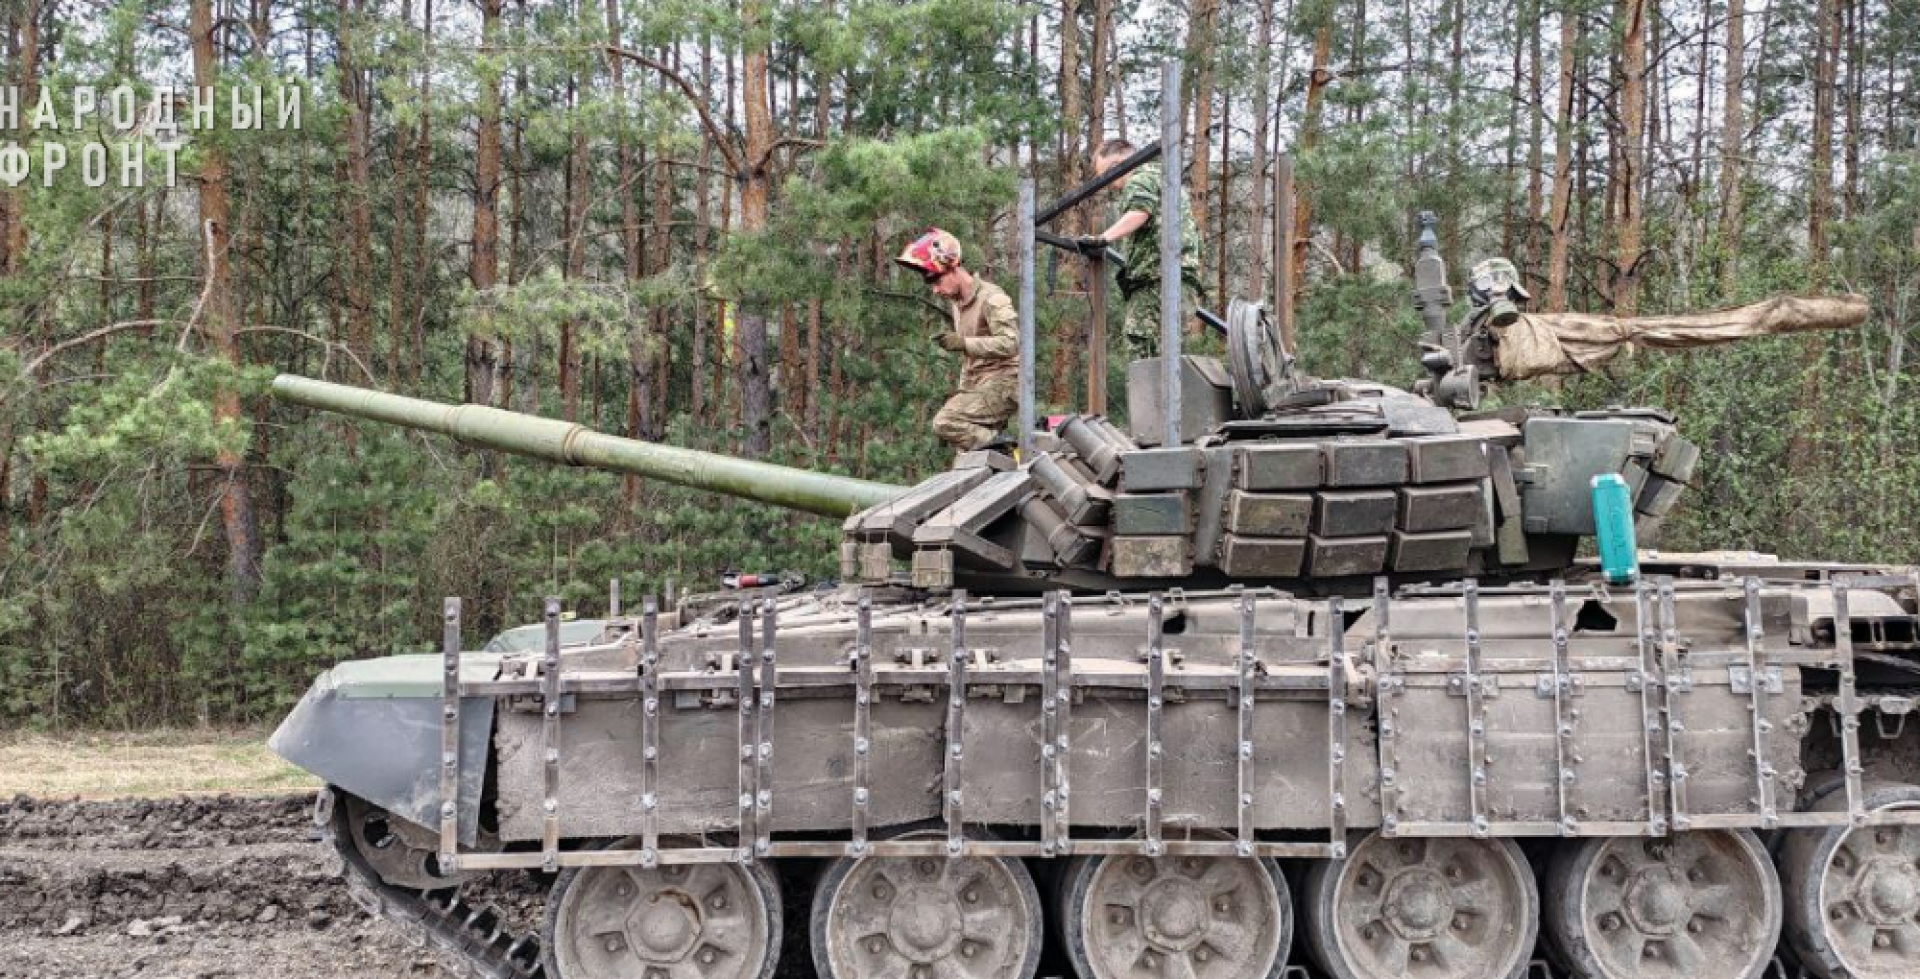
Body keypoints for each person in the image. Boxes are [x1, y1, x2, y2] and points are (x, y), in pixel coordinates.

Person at [895, 229, 1020, 452]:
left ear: (953, 267)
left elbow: (1011, 343)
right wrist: (964, 390)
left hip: (1006, 382)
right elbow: (971, 362)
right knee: (968, 452)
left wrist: (964, 343)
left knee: (946, 422)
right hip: (980, 385)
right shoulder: (957, 303)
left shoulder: (992, 298)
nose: (935, 289)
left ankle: (1011, 452)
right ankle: (1000, 459)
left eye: (936, 279)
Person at [1080, 138, 1204, 360]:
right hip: (1176, 280)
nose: (1108, 184)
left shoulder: (1140, 178)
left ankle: (1150, 397)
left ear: (1118, 164)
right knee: (1165, 355)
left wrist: (1102, 238)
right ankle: (1165, 396)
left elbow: (1139, 212)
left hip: (1156, 281)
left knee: (1142, 347)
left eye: (1106, 175)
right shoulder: (1163, 179)